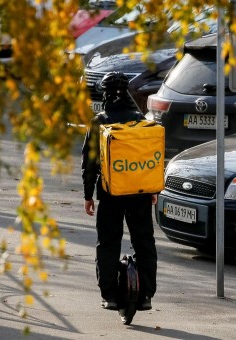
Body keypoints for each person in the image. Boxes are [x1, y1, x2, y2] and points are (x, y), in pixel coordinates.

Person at [81, 71, 158, 312]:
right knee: (144, 242)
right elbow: (149, 158)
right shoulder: (140, 119)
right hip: (139, 193)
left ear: (104, 94)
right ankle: (146, 296)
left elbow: (90, 162)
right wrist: (152, 188)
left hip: (110, 194)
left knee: (108, 243)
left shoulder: (100, 121)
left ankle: (110, 296)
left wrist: (88, 194)